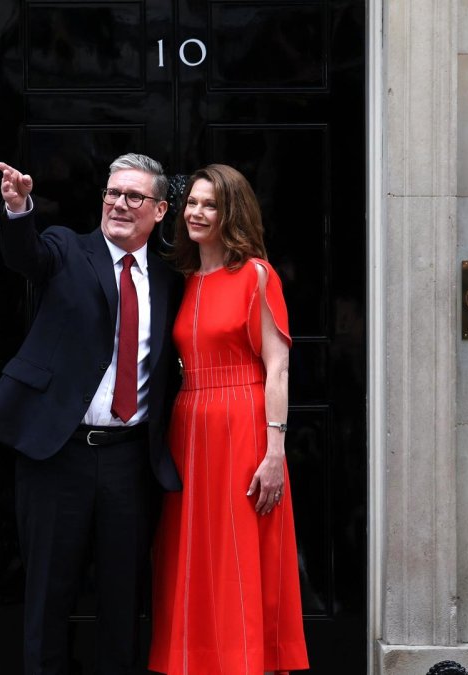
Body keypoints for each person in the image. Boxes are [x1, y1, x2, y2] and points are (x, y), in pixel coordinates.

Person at [0, 153, 182, 675]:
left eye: (134, 196)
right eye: (113, 193)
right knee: (48, 593)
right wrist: (18, 209)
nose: (119, 204)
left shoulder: (170, 279)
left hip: (131, 461)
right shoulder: (66, 248)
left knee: (123, 598)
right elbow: (25, 256)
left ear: (159, 210)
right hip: (57, 455)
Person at [148, 164, 309, 675]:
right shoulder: (185, 280)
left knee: (237, 554)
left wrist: (275, 452)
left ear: (231, 213)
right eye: (192, 203)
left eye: (210, 205)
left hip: (242, 423)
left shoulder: (256, 275)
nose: (196, 213)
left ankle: (246, 664)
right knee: (194, 554)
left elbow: (278, 367)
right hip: (189, 426)